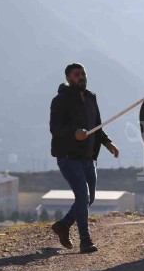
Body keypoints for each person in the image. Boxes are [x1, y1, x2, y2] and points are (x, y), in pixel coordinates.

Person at [49, 63, 119, 253]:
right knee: (83, 197)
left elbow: (97, 126)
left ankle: (63, 225)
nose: (81, 77)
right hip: (69, 157)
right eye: (77, 74)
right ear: (68, 78)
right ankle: (85, 240)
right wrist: (75, 133)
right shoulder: (60, 100)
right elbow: (55, 129)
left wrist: (108, 143)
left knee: (89, 199)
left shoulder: (90, 97)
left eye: (83, 74)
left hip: (88, 157)